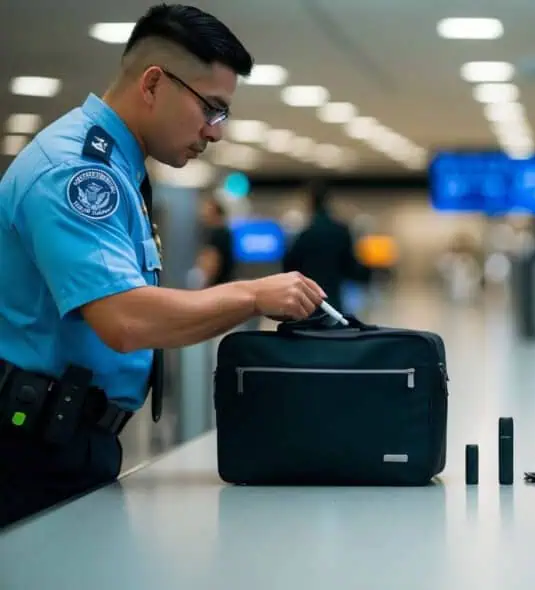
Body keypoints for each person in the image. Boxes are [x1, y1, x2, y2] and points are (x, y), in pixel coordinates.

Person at [0, 4, 326, 528]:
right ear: (153, 83)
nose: (215, 132)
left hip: (68, 438)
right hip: (29, 454)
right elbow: (125, 321)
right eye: (211, 109)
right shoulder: (76, 172)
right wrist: (250, 295)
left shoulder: (119, 169)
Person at [282, 180, 371, 312]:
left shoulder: (305, 233)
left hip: (309, 301)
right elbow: (351, 267)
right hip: (334, 299)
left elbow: (290, 266)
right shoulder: (340, 231)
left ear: (310, 202)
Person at [192, 197, 235, 287]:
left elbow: (212, 261)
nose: (203, 214)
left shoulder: (219, 233)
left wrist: (203, 285)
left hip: (217, 285)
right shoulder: (223, 232)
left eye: (206, 210)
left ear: (215, 212)